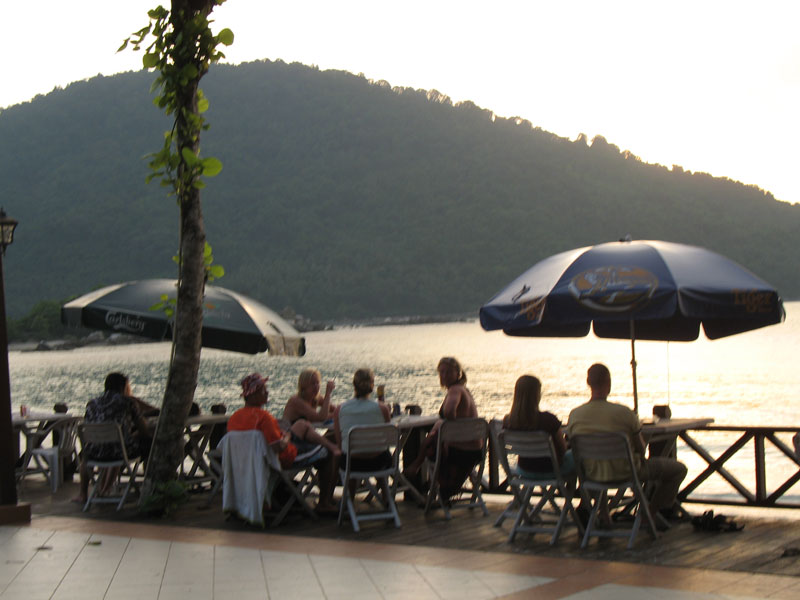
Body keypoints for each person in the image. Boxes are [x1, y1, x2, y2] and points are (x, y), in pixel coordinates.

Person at [567, 363, 687, 524]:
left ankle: (604, 513)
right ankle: (649, 514)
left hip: (591, 473)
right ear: (609, 383)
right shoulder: (625, 413)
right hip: (627, 473)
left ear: (588, 383)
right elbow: (641, 449)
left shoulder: (575, 415)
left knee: (603, 464)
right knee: (679, 470)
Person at [227, 373, 341, 514]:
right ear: (253, 395)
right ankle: (324, 503)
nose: (267, 392)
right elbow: (279, 446)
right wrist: (286, 436)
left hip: (250, 463)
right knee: (328, 453)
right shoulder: (264, 418)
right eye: (263, 390)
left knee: (312, 433)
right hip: (283, 458)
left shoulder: (234, 418)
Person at [404, 357, 483, 501]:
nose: (444, 376)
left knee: (432, 441)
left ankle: (416, 470)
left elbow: (449, 412)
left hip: (459, 451)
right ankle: (419, 471)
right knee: (434, 435)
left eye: (448, 372)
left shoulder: (455, 391)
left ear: (458, 373)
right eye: (441, 372)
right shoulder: (464, 390)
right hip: (475, 451)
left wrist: (444, 424)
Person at [75, 372, 154, 504]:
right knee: (149, 442)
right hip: (119, 452)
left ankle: (84, 494)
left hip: (94, 454)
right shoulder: (128, 402)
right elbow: (144, 430)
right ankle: (149, 487)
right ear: (123, 387)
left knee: (88, 454)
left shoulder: (91, 404)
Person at [503, 375, 575, 480]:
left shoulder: (508, 422)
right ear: (536, 395)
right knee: (579, 455)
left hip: (524, 469)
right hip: (551, 470)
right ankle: (572, 494)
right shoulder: (548, 420)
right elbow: (562, 449)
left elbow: (508, 447)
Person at [334, 368, 392, 472]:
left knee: (346, 454)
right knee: (384, 453)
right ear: (372, 384)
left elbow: (340, 444)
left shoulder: (340, 409)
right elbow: (388, 438)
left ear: (354, 385)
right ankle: (383, 488)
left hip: (351, 464)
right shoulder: (383, 408)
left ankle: (351, 489)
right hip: (378, 462)